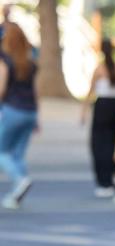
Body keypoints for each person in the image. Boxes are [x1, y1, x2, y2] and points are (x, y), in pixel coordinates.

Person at [82, 38, 115, 199]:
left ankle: (105, 181)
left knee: (100, 145)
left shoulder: (100, 69)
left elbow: (91, 91)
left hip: (103, 107)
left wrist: (83, 112)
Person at [0, 23, 38, 210]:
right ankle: (18, 191)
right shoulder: (29, 62)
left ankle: (20, 180)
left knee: (2, 151)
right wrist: (37, 116)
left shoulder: (5, 60)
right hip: (29, 111)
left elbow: (1, 87)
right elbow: (35, 91)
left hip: (12, 109)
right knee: (17, 154)